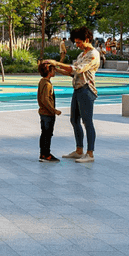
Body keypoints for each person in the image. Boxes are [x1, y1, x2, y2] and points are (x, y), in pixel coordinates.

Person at [45, 26, 100, 163]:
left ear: (87, 39)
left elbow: (77, 69)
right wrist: (55, 68)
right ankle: (79, 150)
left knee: (87, 122)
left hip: (86, 90)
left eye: (79, 42)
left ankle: (90, 153)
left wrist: (57, 62)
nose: (77, 45)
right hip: (77, 89)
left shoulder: (93, 54)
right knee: (74, 120)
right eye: (76, 42)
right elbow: (72, 72)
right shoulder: (81, 55)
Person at [37, 61, 62, 162]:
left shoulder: (42, 81)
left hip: (43, 112)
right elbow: (45, 99)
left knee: (44, 134)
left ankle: (43, 153)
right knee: (47, 134)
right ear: (49, 72)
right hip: (47, 113)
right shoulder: (47, 84)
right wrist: (54, 110)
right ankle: (46, 154)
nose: (55, 71)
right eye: (53, 70)